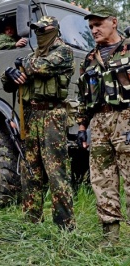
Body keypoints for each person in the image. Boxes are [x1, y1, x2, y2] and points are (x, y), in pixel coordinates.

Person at [1, 16, 75, 230]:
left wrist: (20, 64)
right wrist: (9, 74)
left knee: (56, 171)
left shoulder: (64, 51)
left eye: (44, 29)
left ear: (55, 30)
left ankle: (65, 226)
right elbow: (9, 85)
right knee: (30, 170)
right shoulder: (32, 56)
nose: (40, 33)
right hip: (32, 116)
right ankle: (31, 221)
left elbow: (39, 67)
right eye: (37, 30)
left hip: (53, 116)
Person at [77, 5, 130, 246]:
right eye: (91, 27)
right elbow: (82, 98)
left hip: (126, 118)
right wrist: (81, 127)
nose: (94, 30)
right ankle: (111, 238)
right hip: (98, 123)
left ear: (114, 22)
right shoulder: (89, 59)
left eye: (98, 24)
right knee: (102, 180)